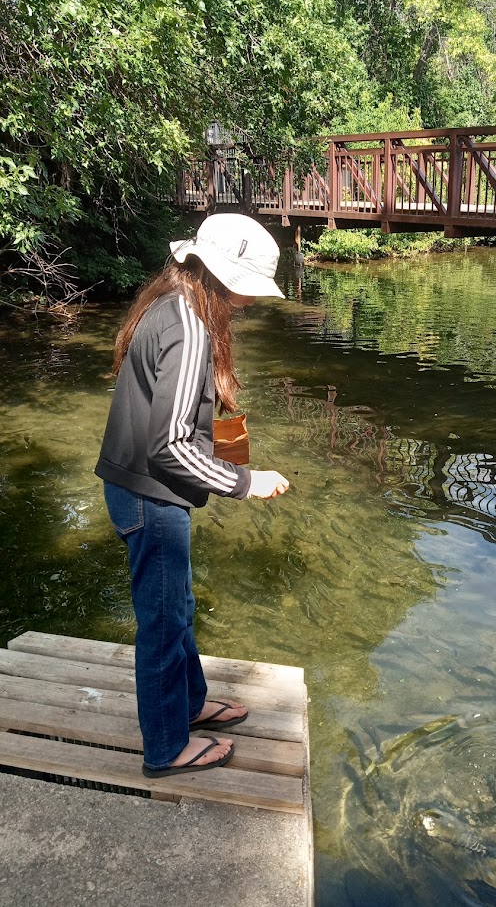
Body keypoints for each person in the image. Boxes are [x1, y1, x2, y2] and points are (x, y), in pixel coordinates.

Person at [95, 214, 289, 779]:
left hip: (142, 492)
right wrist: (246, 482)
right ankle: (165, 748)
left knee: (176, 607)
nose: (251, 299)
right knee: (161, 623)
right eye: (249, 285)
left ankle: (191, 704)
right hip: (149, 499)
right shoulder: (188, 325)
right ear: (223, 276)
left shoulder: (172, 302)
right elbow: (170, 444)